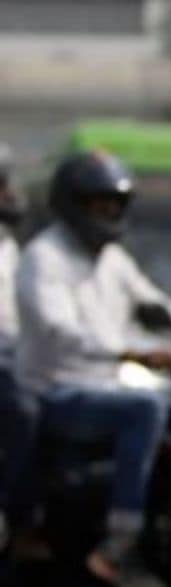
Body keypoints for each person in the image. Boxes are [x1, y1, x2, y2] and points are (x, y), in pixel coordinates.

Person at [16, 151, 171, 587]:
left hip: (107, 383)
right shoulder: (45, 258)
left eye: (117, 206)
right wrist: (135, 353)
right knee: (146, 409)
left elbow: (161, 307)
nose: (111, 215)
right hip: (58, 390)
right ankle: (120, 543)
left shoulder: (113, 259)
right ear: (74, 205)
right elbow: (60, 332)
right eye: (102, 205)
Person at [0, 141, 37, 557]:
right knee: (26, 409)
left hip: (19, 352)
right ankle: (21, 518)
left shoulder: (12, 248)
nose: (10, 196)